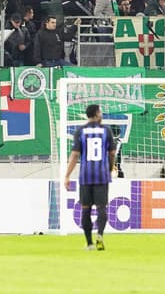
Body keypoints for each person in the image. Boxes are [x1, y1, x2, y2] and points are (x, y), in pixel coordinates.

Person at [64, 103, 116, 251]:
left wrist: (67, 175)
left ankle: (89, 243)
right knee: (101, 208)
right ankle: (99, 234)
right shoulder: (106, 131)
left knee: (85, 209)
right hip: (101, 175)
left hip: (85, 176)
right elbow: (112, 153)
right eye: (101, 112)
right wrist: (111, 167)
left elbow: (74, 155)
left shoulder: (80, 131)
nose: (102, 115)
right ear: (96, 114)